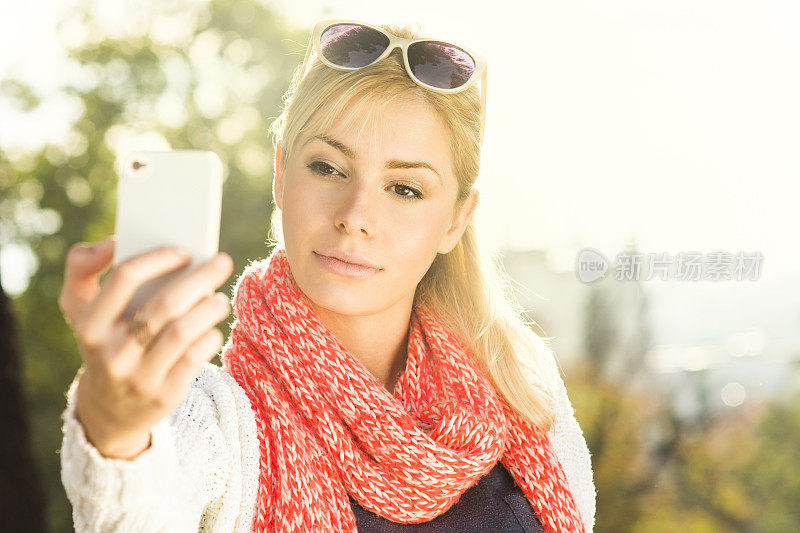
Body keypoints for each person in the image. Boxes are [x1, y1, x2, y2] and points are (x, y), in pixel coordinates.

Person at [58, 19, 596, 533]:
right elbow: (134, 514)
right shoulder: (207, 418)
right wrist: (115, 433)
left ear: (456, 219)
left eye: (404, 188)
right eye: (328, 168)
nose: (355, 215)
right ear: (280, 176)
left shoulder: (521, 382)